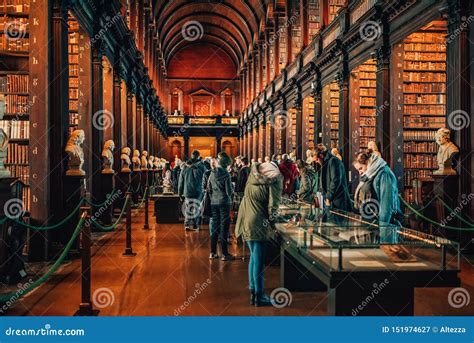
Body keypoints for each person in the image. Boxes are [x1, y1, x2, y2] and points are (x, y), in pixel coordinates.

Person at [235, 162, 283, 306]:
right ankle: (260, 295)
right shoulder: (275, 180)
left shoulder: (252, 176)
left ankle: (253, 289)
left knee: (254, 257)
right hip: (258, 221)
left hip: (245, 218)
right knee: (259, 259)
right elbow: (273, 206)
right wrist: (275, 222)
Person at [353, 152, 402, 243]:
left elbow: (386, 205)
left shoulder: (384, 173)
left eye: (361, 168)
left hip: (386, 224)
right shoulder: (371, 174)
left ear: (368, 162)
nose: (360, 172)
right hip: (374, 223)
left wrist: (383, 230)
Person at [208, 152, 234, 260]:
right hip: (224, 203)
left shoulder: (212, 172)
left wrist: (213, 197)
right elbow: (229, 191)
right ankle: (224, 253)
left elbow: (209, 188)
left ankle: (213, 253)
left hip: (214, 202)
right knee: (224, 227)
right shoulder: (226, 174)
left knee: (215, 227)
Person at [313, 144, 351, 211]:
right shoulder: (326, 162)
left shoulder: (333, 161)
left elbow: (335, 180)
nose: (316, 162)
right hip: (332, 199)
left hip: (337, 200)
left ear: (321, 156)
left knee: (337, 220)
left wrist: (329, 197)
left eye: (316, 159)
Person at [178, 150, 207, 231]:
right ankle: (195, 225)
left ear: (191, 156)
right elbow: (206, 179)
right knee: (197, 208)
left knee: (188, 208)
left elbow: (181, 181)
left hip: (187, 190)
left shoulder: (185, 167)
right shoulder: (202, 167)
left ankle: (187, 224)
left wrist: (179, 192)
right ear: (198, 156)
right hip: (198, 191)